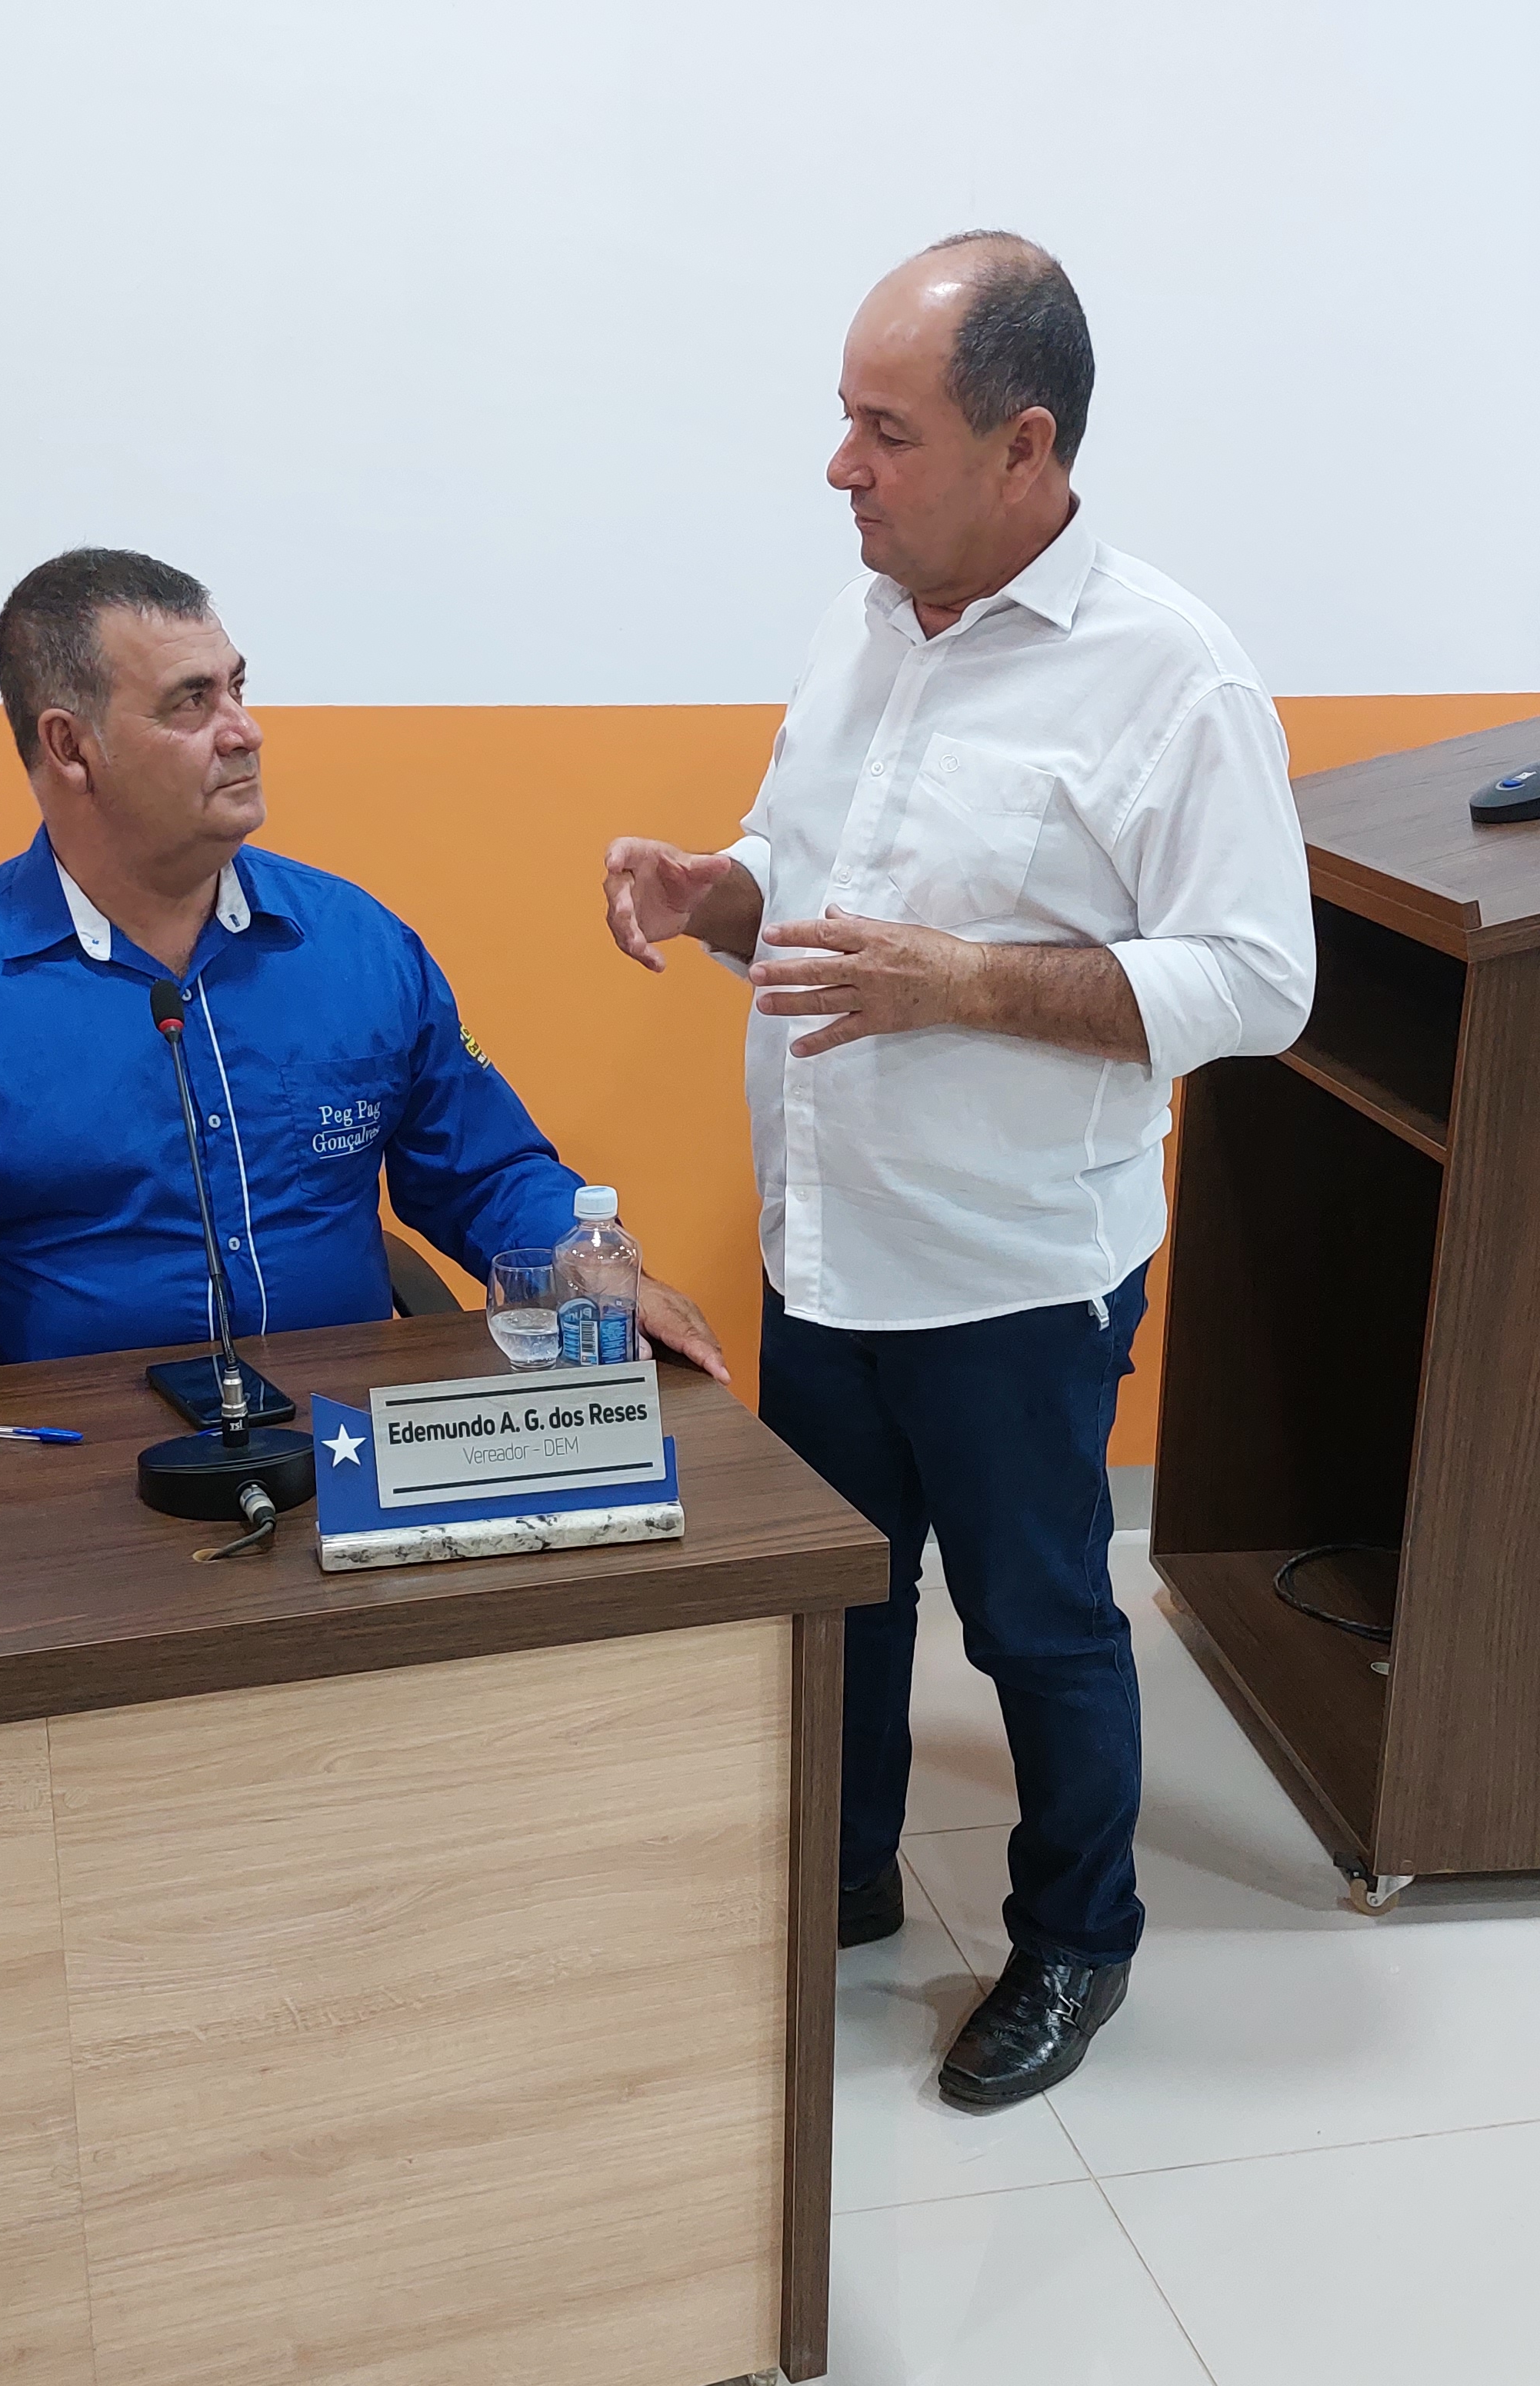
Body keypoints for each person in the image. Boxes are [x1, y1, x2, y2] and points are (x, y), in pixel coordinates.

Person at [598, 235, 1313, 2107]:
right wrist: (719, 891)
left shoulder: (1171, 676)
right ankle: (840, 1874)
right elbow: (809, 862)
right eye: (842, 419)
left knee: (1038, 1625)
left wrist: (970, 984)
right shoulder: (862, 625)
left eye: (884, 430)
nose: (839, 466)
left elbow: (1257, 982)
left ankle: (1077, 1939)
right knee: (841, 1594)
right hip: (826, 1245)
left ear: (1024, 444)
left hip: (1010, 1269)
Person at [0, 545, 725, 1528]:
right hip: (64, 1493)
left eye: (238, 689)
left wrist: (595, 1271)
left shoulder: (355, 944)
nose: (244, 731)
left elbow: (484, 1171)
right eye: (191, 702)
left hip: (344, 1459)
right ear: (71, 747)